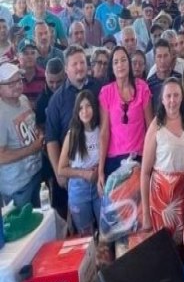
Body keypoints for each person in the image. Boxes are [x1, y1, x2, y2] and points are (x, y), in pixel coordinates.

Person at [46, 45, 102, 219]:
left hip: (99, 173)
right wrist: (59, 173)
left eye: (82, 62)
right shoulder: (57, 100)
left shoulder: (100, 89)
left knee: (106, 227)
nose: (79, 67)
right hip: (75, 177)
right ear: (66, 69)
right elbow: (52, 139)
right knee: (83, 232)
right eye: (74, 64)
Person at [141, 78, 184, 242]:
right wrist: (146, 215)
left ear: (182, 97)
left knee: (182, 244)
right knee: (163, 247)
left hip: (183, 193)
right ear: (162, 100)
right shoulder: (156, 126)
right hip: (160, 197)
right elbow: (145, 173)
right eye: (168, 96)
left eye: (176, 95)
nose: (172, 100)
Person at [98, 46, 153, 189]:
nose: (120, 65)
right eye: (115, 62)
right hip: (114, 160)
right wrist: (100, 171)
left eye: (123, 60)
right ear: (112, 67)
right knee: (117, 209)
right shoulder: (106, 92)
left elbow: (151, 127)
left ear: (129, 63)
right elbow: (104, 133)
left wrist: (151, 160)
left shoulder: (142, 88)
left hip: (139, 157)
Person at [58, 90, 100, 235]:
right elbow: (61, 169)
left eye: (88, 106)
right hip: (79, 188)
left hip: (98, 185)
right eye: (80, 108)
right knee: (86, 234)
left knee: (105, 230)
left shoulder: (101, 130)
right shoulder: (73, 135)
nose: (85, 111)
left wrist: (98, 170)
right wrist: (83, 174)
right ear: (76, 111)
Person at [0, 63, 43, 207]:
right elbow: (2, 156)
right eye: (11, 83)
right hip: (17, 186)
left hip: (35, 173)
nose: (17, 85)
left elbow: (31, 124)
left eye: (19, 80)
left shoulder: (24, 100)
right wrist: (32, 148)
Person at [147, 39, 182, 111]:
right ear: (154, 58)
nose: (162, 60)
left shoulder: (180, 79)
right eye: (159, 56)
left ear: (170, 56)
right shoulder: (149, 84)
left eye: (165, 56)